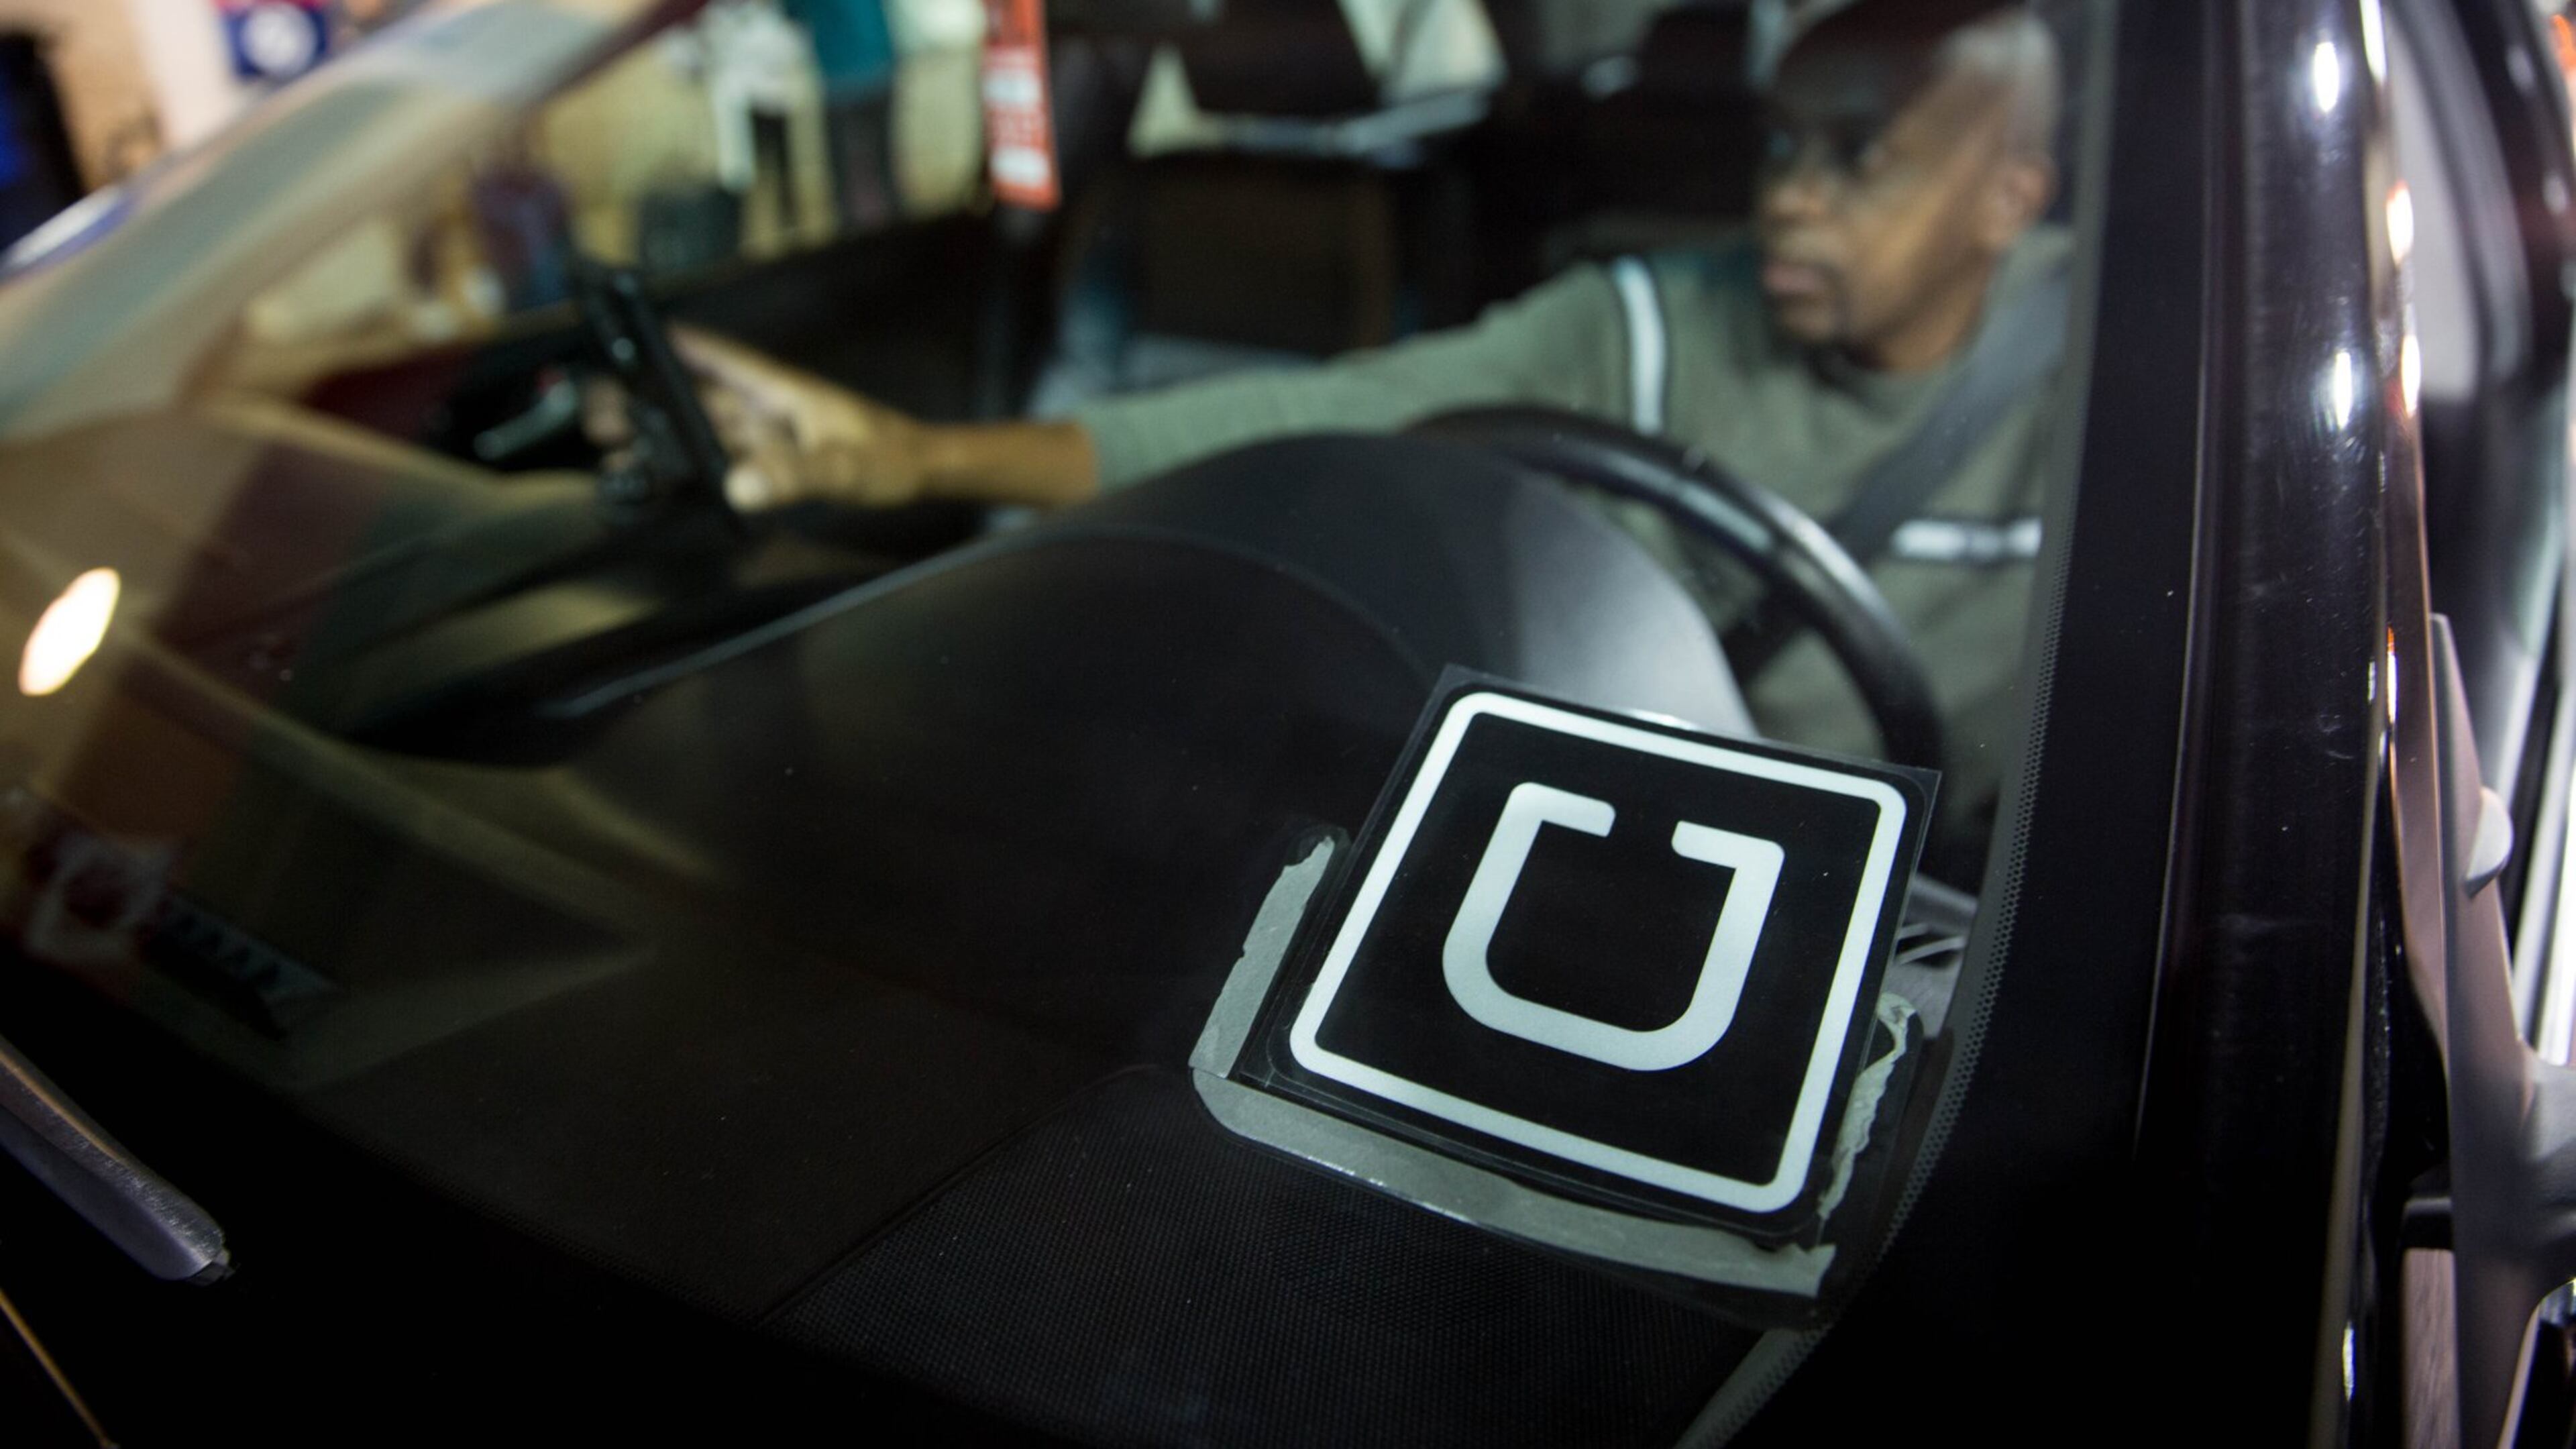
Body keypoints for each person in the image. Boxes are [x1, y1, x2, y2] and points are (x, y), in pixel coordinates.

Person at [623, 0, 2067, 845]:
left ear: (2013, 200)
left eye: (1860, 159)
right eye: (1781, 146)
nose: (1790, 198)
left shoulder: (2100, 384)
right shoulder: (1653, 322)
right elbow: (1325, 414)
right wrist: (909, 457)